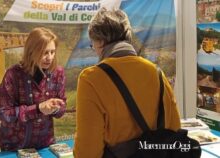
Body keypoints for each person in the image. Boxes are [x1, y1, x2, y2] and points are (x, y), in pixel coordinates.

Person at [74, 7, 181, 157]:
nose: (94, 50)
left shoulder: (91, 78)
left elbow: (87, 151)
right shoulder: (156, 72)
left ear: (100, 42)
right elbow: (175, 128)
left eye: (92, 45)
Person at [0, 27, 66, 151]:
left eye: (52, 52)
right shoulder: (13, 74)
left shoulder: (58, 72)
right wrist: (38, 109)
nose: (49, 57)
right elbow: (5, 115)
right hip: (14, 147)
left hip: (45, 146)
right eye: (45, 52)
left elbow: (62, 108)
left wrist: (55, 108)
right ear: (31, 51)